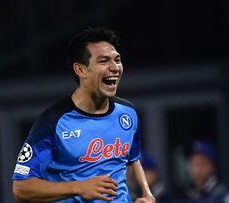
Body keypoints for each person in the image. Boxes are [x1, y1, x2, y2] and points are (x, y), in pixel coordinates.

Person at [12, 27, 155, 203]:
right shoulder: (53, 122)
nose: (114, 67)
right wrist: (78, 187)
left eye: (117, 60)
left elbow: (133, 159)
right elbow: (21, 188)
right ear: (80, 70)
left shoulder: (128, 113)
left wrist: (146, 193)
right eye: (104, 61)